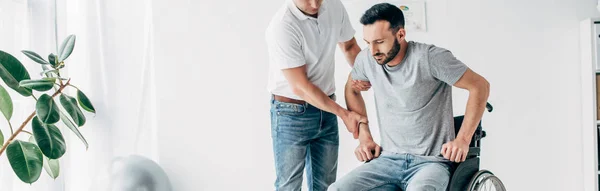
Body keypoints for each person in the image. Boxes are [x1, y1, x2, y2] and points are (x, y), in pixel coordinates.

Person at [329, 3, 490, 190]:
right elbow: (351, 89)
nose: (373, 51)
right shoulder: (367, 60)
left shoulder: (430, 58)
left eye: (380, 42)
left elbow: (480, 86)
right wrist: (364, 136)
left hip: (431, 163)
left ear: (401, 35)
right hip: (387, 160)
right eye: (368, 43)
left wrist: (462, 140)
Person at [265, 0, 370, 190]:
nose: (315, 4)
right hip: (291, 113)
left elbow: (349, 46)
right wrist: (344, 114)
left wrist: (366, 74)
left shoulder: (333, 5)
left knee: (325, 184)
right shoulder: (282, 26)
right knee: (289, 185)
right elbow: (301, 86)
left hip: (327, 106)